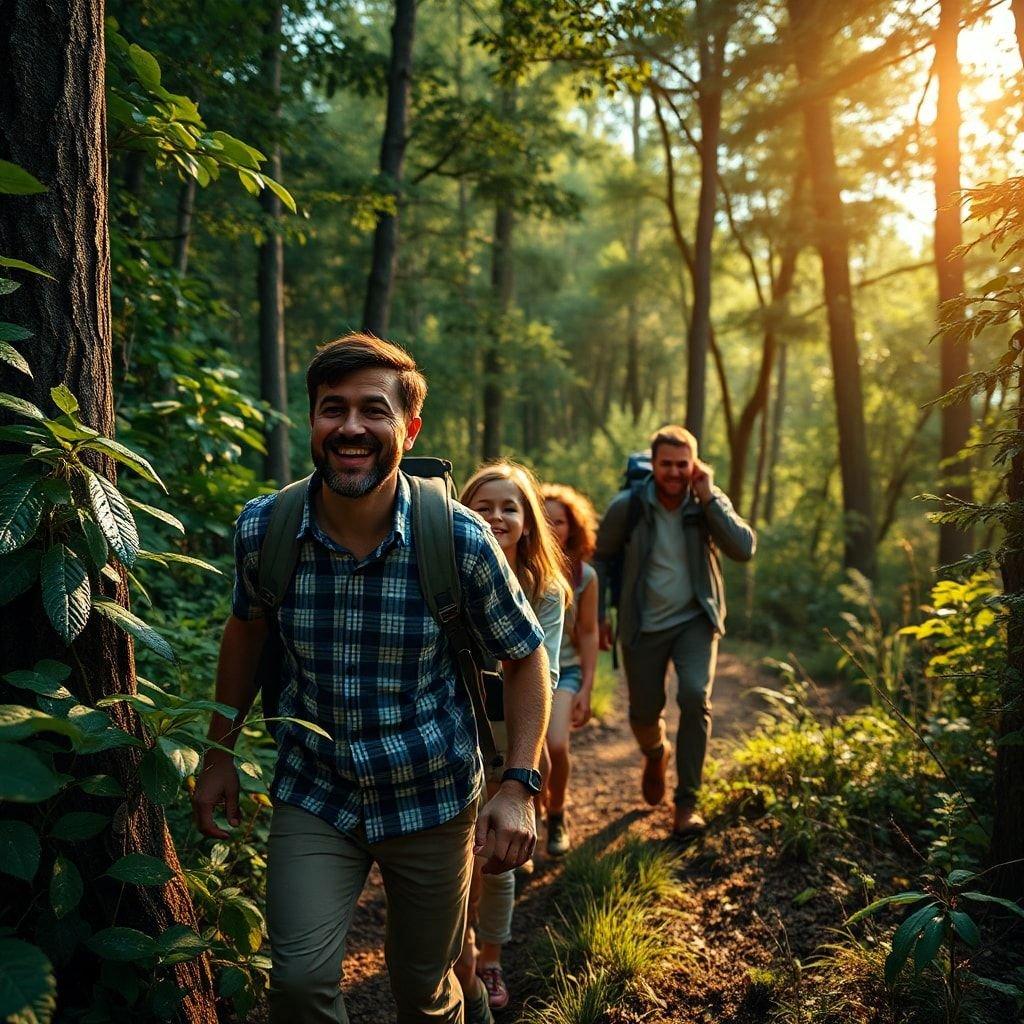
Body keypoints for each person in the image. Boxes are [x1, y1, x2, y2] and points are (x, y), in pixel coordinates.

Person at [191, 333, 552, 1024]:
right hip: (315, 791)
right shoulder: (266, 529)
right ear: (313, 421)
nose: (351, 427)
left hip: (433, 799)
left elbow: (525, 655)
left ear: (408, 428)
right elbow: (246, 633)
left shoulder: (462, 539)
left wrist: (520, 785)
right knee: (296, 984)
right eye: (334, 409)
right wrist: (218, 752)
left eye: (373, 410)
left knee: (423, 985)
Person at [593, 425, 755, 838]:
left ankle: (687, 804)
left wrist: (710, 497)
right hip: (642, 622)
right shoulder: (627, 507)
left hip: (695, 620)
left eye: (683, 464)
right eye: (667, 464)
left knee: (694, 697)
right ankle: (655, 753)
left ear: (694, 465)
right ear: (653, 464)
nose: (675, 472)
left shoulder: (705, 503)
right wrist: (599, 616)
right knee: (644, 714)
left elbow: (743, 547)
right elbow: (602, 561)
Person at [455, 461, 569, 1017]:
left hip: (512, 733)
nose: (496, 516)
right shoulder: (445, 567)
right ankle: (460, 947)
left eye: (510, 507)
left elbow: (541, 677)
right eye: (484, 506)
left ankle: (491, 953)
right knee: (456, 845)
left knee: (497, 849)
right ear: (462, 511)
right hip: (452, 729)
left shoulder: (547, 589)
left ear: (528, 521)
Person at [540, 483, 600, 857]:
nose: (551, 527)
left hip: (567, 672)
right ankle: (529, 816)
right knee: (530, 755)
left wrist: (587, 688)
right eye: (544, 520)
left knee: (557, 745)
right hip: (521, 673)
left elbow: (590, 633)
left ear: (572, 527)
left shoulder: (586, 577)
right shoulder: (518, 564)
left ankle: (557, 812)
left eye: (559, 521)